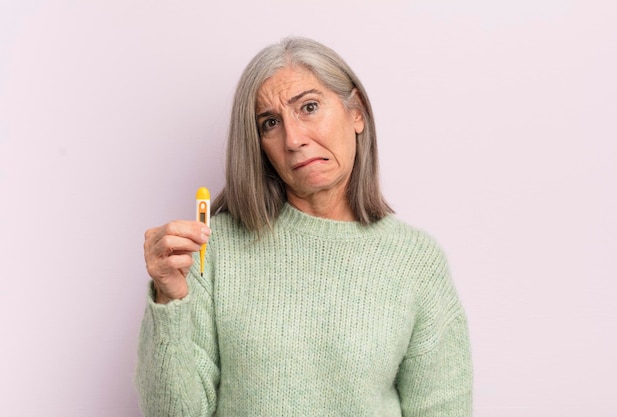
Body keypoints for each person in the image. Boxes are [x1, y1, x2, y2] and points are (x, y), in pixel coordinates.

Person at [136, 37, 472, 417]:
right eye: (270, 123)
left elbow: (443, 409)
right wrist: (169, 300)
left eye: (309, 107)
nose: (293, 139)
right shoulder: (213, 250)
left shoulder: (416, 260)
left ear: (356, 112)